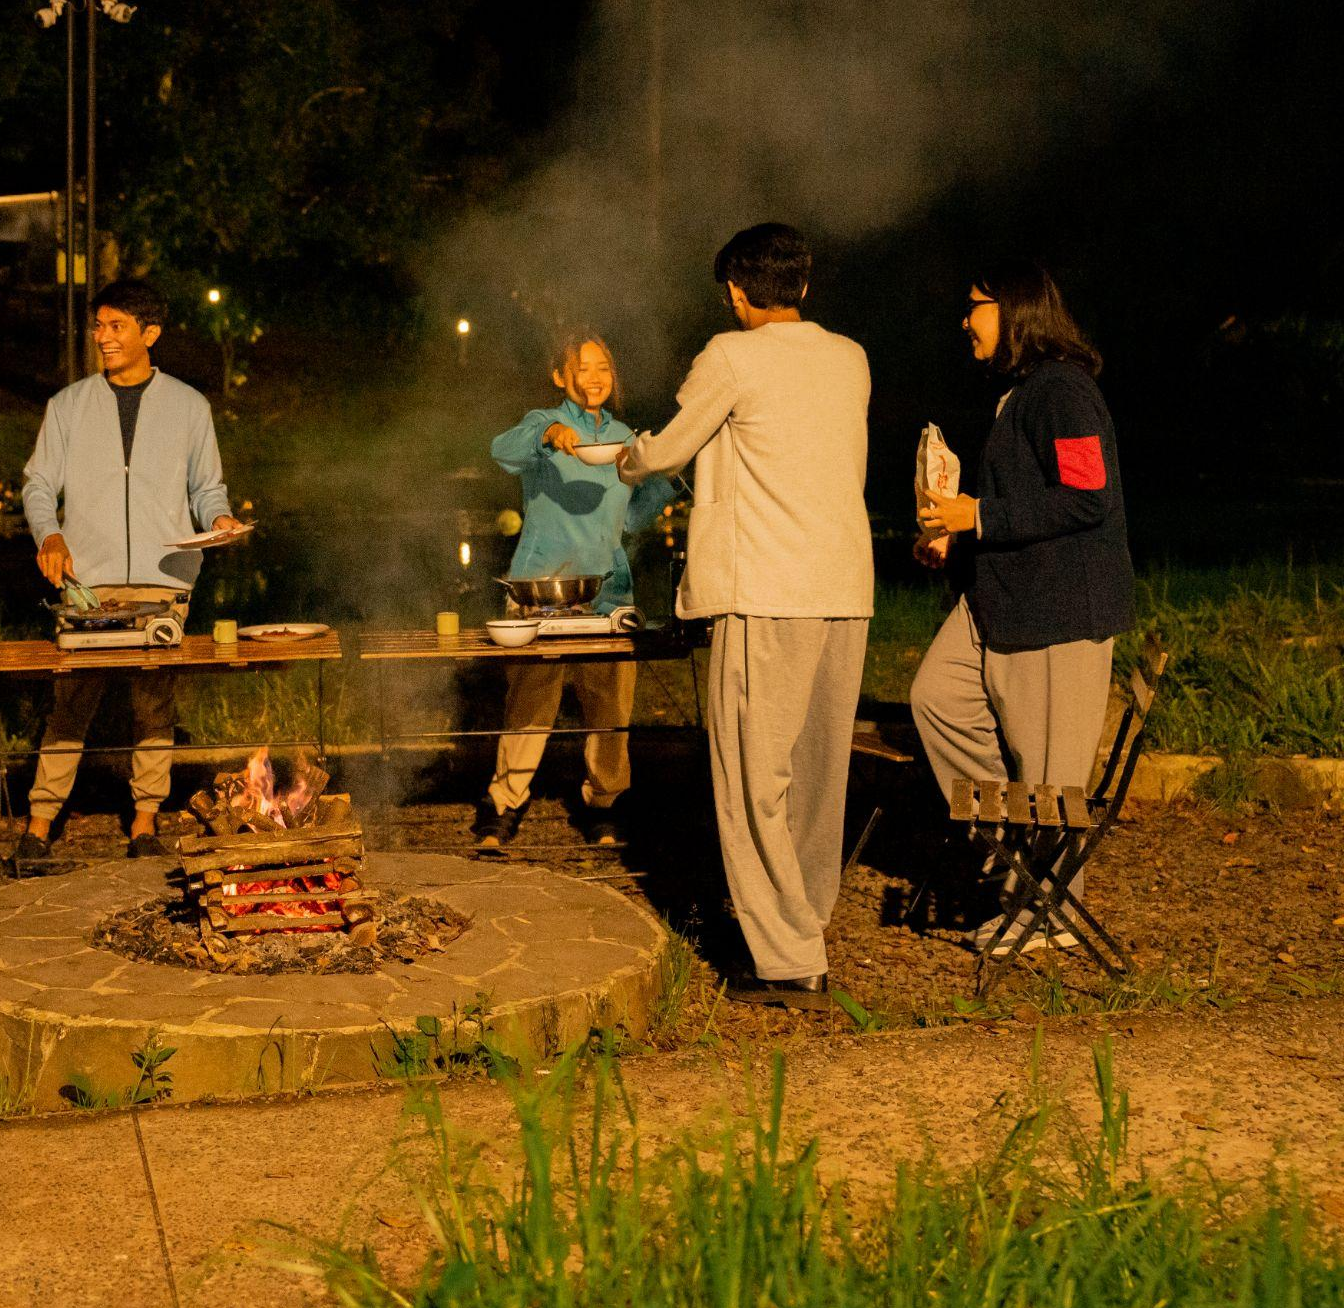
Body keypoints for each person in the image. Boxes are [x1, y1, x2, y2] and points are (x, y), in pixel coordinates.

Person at [617, 224, 873, 1010]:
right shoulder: (851, 358)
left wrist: (625, 456)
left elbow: (667, 451)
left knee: (754, 778)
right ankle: (805, 923)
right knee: (820, 775)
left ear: (735, 291)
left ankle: (787, 959)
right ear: (804, 284)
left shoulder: (730, 355)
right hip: (844, 590)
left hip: (767, 592)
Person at [913, 263, 1133, 957]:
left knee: (1051, 771)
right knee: (937, 698)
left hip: (1059, 609)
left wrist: (979, 515)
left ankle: (1048, 907)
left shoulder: (1063, 391)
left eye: (975, 306)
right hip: (1006, 599)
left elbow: (1087, 496)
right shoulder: (1022, 391)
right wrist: (960, 537)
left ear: (1013, 310)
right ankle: (1009, 841)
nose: (965, 321)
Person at [18, 278, 241, 862]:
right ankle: (38, 827)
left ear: (151, 333)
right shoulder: (67, 406)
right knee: (71, 701)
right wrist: (50, 535)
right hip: (86, 582)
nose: (103, 337)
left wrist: (219, 520)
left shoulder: (190, 407)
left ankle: (144, 822)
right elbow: (38, 485)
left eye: (116, 326)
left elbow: (207, 489)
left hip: (163, 575)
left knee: (153, 702)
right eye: (99, 325)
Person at [474, 332, 676, 852]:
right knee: (530, 703)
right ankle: (504, 804)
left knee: (610, 708)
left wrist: (665, 477)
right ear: (559, 376)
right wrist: (550, 434)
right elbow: (501, 450)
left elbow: (629, 517)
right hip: (541, 586)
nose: (594, 377)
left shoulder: (624, 436)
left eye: (603, 367)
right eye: (582, 368)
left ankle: (605, 804)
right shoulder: (542, 423)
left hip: (608, 589)